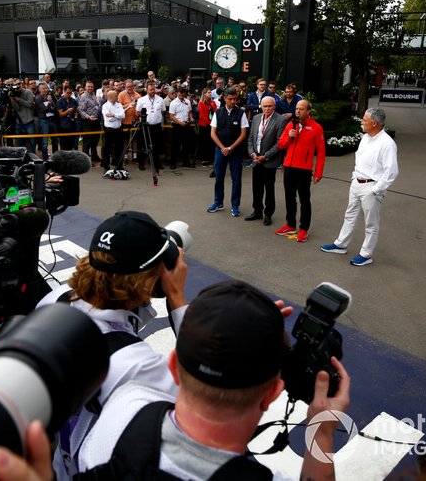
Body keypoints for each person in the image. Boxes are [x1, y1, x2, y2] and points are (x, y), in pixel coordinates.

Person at [78, 279, 351, 481]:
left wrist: (231, 334)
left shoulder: (127, 404)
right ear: (273, 393)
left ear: (173, 366)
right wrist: (321, 431)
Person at [36, 211, 188, 480]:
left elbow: (113, 312)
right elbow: (200, 401)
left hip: (62, 455)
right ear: (149, 281)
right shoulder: (133, 365)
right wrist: (176, 297)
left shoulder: (57, 299)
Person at [321, 107, 398, 266]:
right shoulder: (365, 138)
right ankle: (341, 245)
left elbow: (391, 172)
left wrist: (376, 190)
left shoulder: (387, 144)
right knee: (349, 215)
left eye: (364, 119)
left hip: (371, 187)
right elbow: (360, 160)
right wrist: (355, 176)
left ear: (374, 123)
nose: (362, 122)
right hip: (357, 183)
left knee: (371, 223)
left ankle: (366, 254)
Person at [275, 99, 326, 243]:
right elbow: (281, 145)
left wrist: (318, 172)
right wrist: (290, 137)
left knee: (304, 199)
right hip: (289, 167)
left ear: (308, 111)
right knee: (289, 197)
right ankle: (290, 224)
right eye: (297, 108)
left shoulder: (316, 128)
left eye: (301, 109)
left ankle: (304, 229)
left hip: (304, 169)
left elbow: (321, 152)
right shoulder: (291, 125)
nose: (298, 111)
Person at [208, 87, 249, 217]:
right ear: (224, 99)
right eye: (230, 99)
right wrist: (222, 148)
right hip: (220, 151)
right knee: (219, 178)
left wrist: (230, 148)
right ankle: (218, 203)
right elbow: (213, 133)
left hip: (236, 152)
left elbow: (243, 134)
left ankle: (235, 205)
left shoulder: (241, 113)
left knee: (236, 179)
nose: (233, 101)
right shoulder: (218, 112)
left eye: (235, 99)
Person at [246, 96, 285, 226]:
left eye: (270, 106)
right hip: (256, 159)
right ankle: (257, 211)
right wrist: (252, 153)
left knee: (269, 188)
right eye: (265, 106)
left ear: (274, 106)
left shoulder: (280, 120)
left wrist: (266, 156)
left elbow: (279, 143)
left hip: (269, 161)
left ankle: (268, 214)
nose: (267, 109)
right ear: (261, 106)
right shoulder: (256, 118)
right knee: (256, 187)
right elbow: (251, 138)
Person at [135, 81, 166, 172]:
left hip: (156, 126)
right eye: (151, 90)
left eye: (154, 89)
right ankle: (141, 164)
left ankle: (156, 164)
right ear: (146, 90)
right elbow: (138, 112)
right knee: (143, 145)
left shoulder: (160, 99)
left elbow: (163, 111)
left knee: (156, 145)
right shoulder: (141, 100)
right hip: (145, 126)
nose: (153, 91)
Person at [168, 87, 195, 169]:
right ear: (177, 93)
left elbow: (189, 111)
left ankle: (185, 161)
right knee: (175, 145)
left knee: (186, 144)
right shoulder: (173, 103)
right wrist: (180, 122)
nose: (181, 97)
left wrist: (191, 117)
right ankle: (173, 162)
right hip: (177, 125)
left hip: (186, 124)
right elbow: (171, 116)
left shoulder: (187, 101)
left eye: (183, 95)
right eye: (180, 95)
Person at [100, 90, 125, 175]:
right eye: (116, 95)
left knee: (119, 148)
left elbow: (123, 116)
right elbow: (108, 119)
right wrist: (117, 115)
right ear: (110, 97)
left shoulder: (119, 105)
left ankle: (119, 166)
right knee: (107, 149)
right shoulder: (105, 106)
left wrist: (114, 115)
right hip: (109, 130)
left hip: (118, 129)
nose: (117, 96)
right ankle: (106, 167)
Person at [77, 81, 102, 164]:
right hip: (87, 122)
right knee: (87, 141)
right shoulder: (83, 97)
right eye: (88, 87)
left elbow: (97, 106)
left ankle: (94, 156)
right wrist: (88, 117)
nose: (90, 88)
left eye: (91, 86)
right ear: (85, 87)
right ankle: (86, 159)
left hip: (96, 121)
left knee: (95, 140)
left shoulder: (94, 96)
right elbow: (81, 110)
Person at [196, 87, 217, 170]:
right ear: (204, 94)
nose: (210, 94)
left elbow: (215, 111)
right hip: (204, 125)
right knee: (204, 142)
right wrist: (210, 123)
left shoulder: (212, 102)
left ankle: (210, 159)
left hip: (211, 125)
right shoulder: (201, 103)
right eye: (208, 92)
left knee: (211, 142)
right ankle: (204, 159)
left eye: (210, 92)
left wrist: (212, 104)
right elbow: (202, 116)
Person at [56, 85, 78, 151]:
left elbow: (76, 111)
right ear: (64, 91)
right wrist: (68, 111)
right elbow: (61, 114)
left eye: (70, 93)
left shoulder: (73, 101)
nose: (69, 94)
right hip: (63, 126)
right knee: (64, 145)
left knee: (71, 145)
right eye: (68, 92)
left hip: (72, 125)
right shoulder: (60, 101)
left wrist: (75, 115)